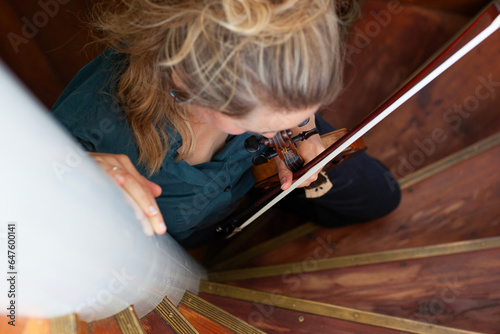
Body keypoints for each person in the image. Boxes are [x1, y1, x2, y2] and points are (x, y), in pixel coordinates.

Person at [51, 0, 401, 248]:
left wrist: (304, 130)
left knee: (378, 196)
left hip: (251, 194)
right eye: (263, 127)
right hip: (174, 249)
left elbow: (379, 200)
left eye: (301, 112)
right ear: (187, 82)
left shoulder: (278, 107)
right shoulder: (95, 123)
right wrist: (69, 178)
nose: (277, 135)